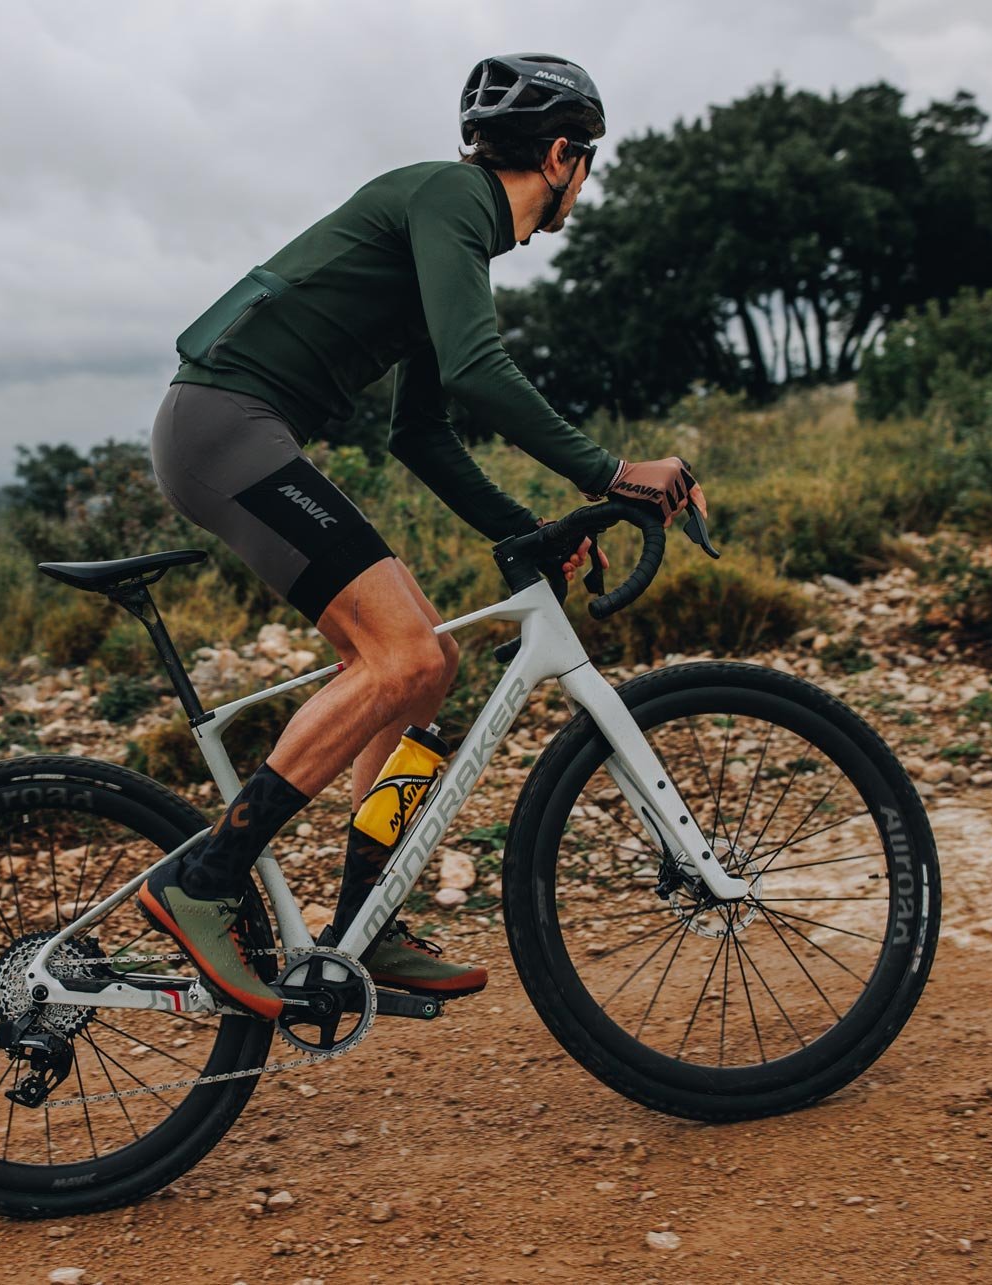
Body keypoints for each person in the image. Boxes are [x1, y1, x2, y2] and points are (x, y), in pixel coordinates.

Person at [143, 53, 707, 1019]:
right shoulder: (453, 197)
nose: (586, 180)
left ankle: (368, 914)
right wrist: (611, 473)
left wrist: (522, 531)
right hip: (223, 427)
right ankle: (206, 876)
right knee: (401, 655)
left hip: (232, 432)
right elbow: (480, 368)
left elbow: (422, 431)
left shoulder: (450, 231)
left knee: (427, 663)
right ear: (565, 156)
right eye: (589, 159)